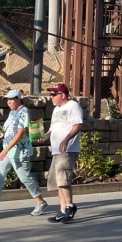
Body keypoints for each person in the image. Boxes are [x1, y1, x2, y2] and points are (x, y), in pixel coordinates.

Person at [0, 90, 48, 219]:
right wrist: (0, 133)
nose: (9, 102)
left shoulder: (24, 112)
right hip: (7, 151)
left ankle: (41, 202)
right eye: (7, 100)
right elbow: (10, 130)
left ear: (19, 99)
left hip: (19, 152)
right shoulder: (12, 113)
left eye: (11, 99)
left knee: (25, 177)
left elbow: (20, 133)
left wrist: (5, 150)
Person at [38, 84, 82, 224]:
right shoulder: (56, 110)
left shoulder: (73, 106)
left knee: (63, 179)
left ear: (62, 95)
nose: (51, 97)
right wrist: (44, 137)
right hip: (57, 150)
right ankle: (62, 211)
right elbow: (52, 129)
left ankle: (70, 206)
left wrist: (66, 139)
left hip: (67, 149)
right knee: (58, 182)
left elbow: (77, 125)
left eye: (54, 95)